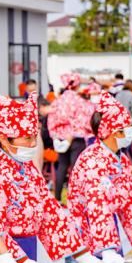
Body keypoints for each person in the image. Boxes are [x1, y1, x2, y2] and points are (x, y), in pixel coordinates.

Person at [0, 95, 87, 263]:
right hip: (2, 255)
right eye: (27, 138)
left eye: (35, 137)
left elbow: (49, 209)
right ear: (4, 139)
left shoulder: (27, 167)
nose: (33, 144)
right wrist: (18, 259)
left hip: (29, 248)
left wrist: (79, 252)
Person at [68, 96, 132, 263]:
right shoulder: (92, 161)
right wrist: (106, 249)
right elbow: (97, 206)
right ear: (113, 132)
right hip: (85, 235)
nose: (131, 132)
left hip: (107, 232)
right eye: (127, 128)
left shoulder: (121, 160)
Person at [47, 72, 95, 200]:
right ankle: (75, 198)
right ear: (77, 84)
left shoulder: (59, 101)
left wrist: (56, 134)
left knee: (62, 166)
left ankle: (57, 197)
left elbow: (51, 118)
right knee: (75, 168)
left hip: (62, 136)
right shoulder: (80, 101)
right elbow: (87, 120)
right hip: (77, 137)